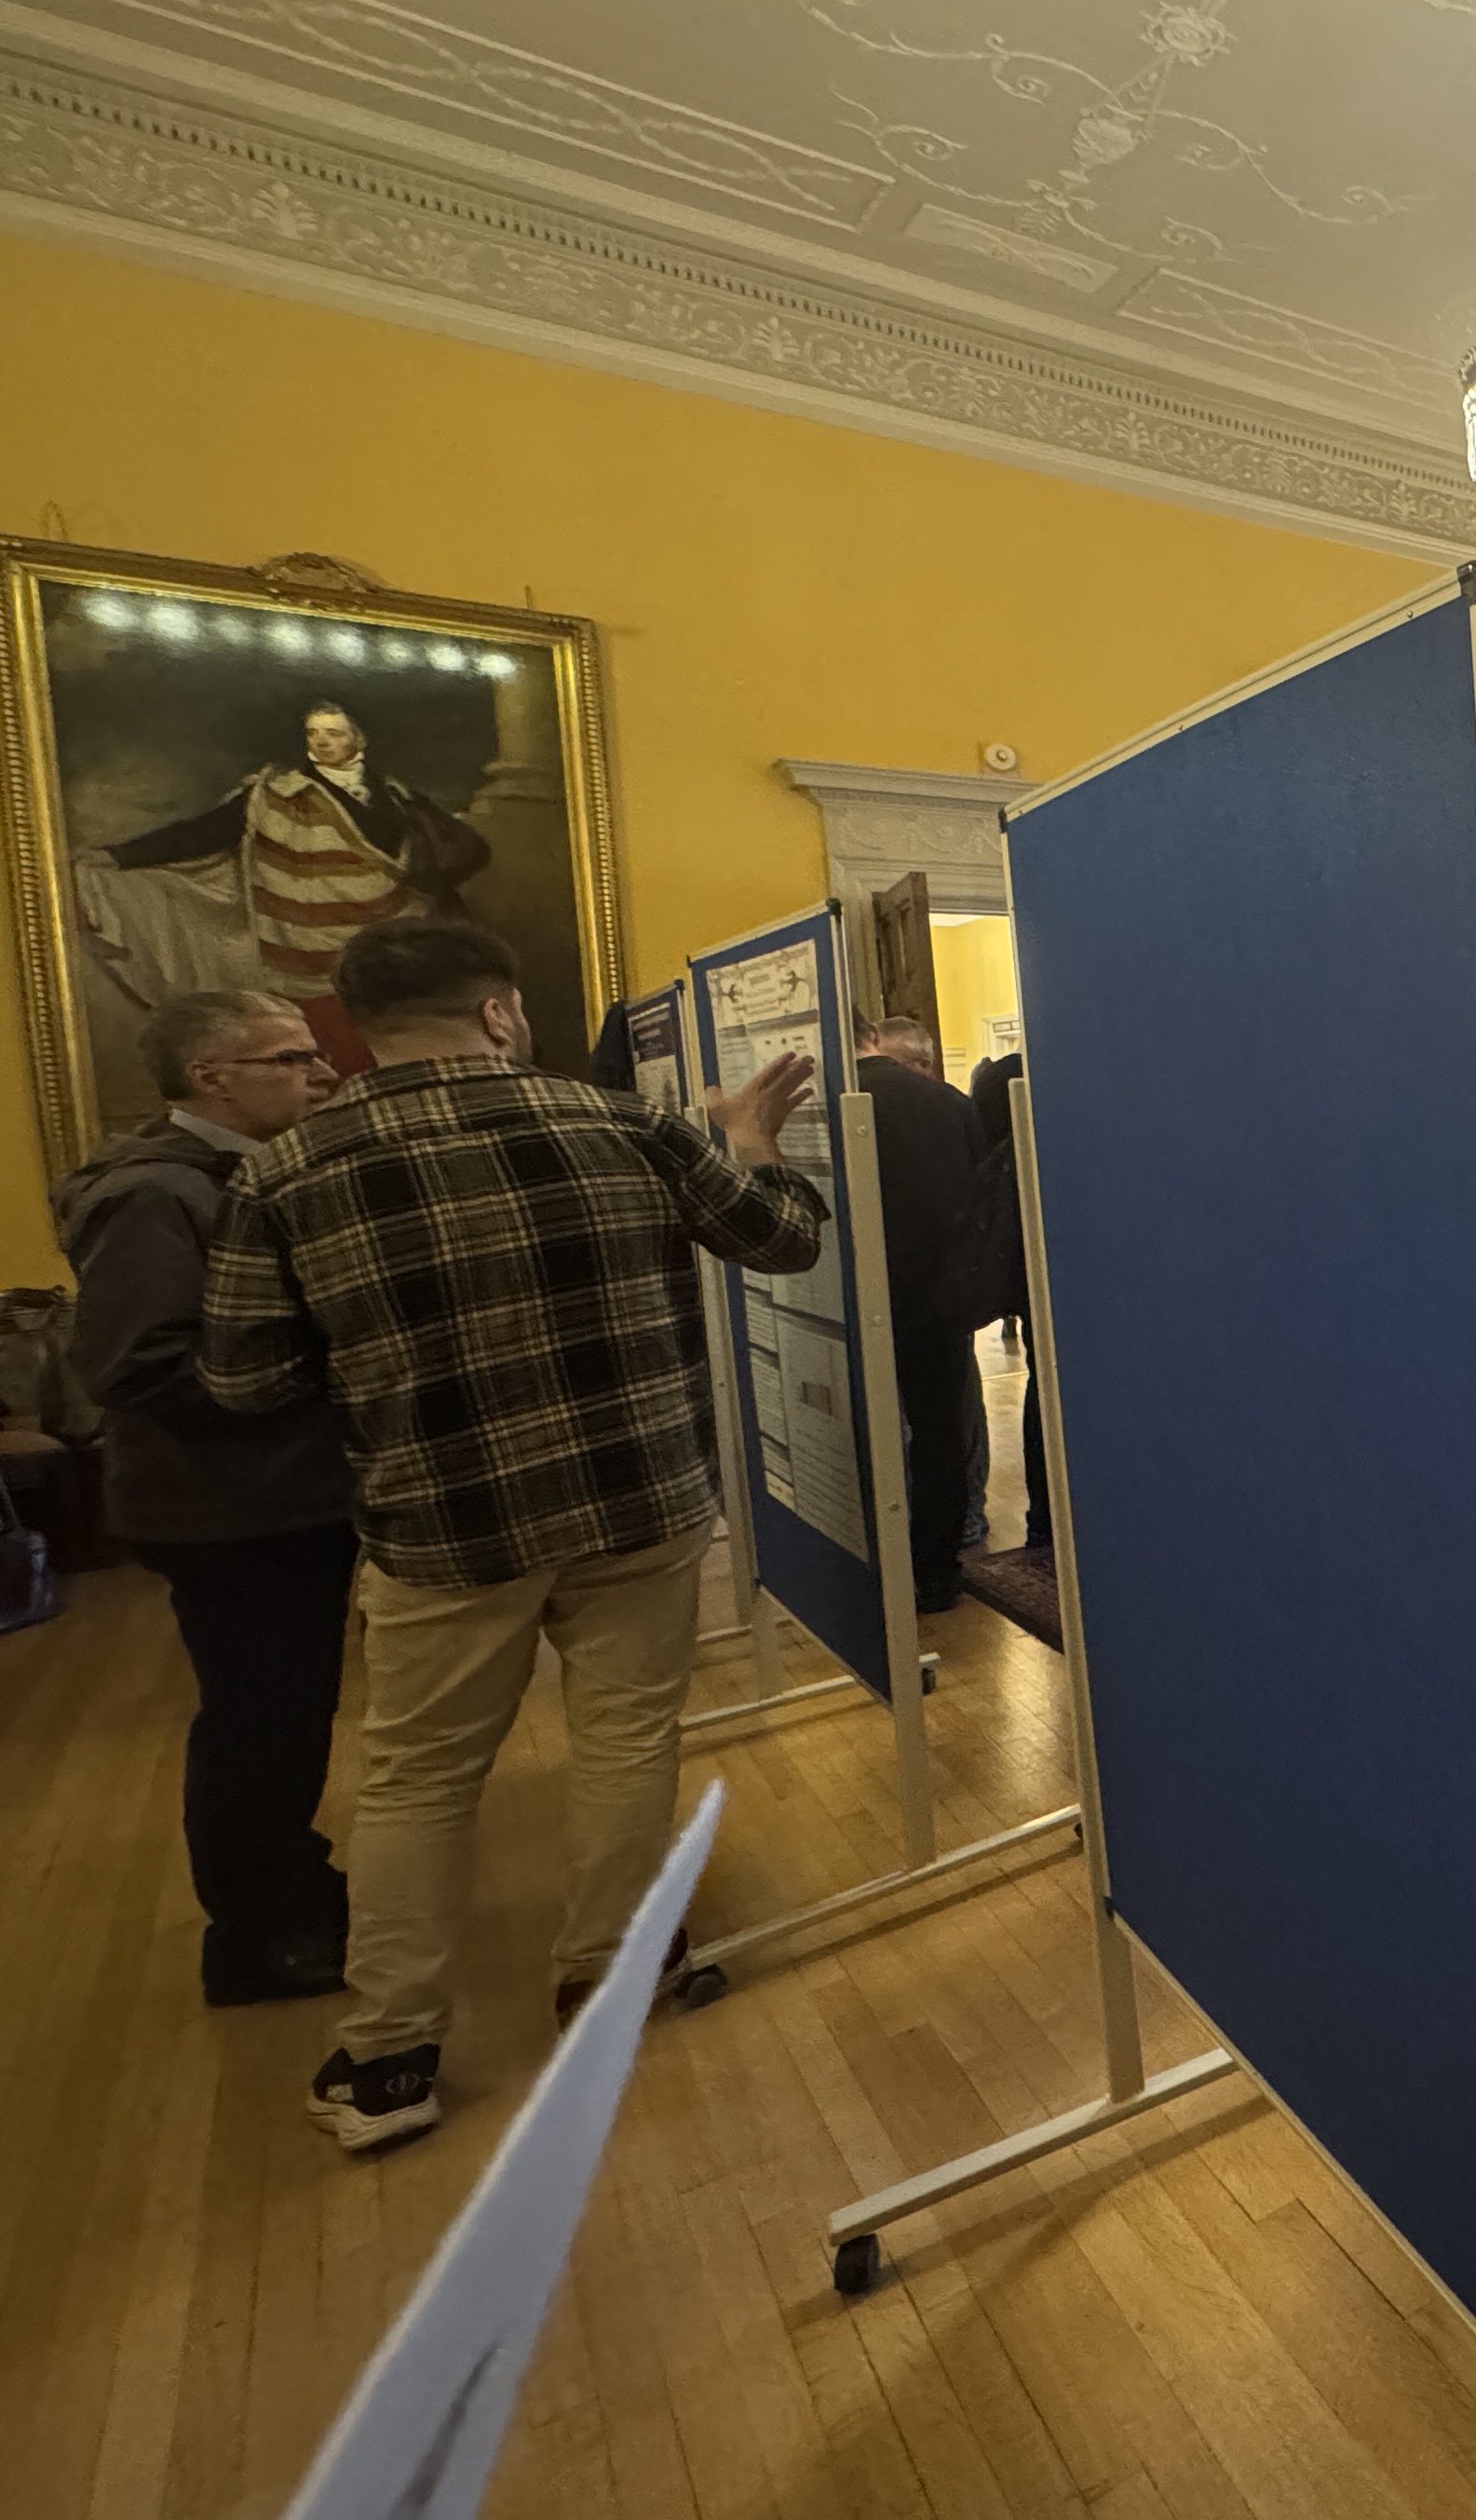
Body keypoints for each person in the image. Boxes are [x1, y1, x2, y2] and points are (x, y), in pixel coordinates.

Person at [202, 916, 825, 2155]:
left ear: (358, 1029)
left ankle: (389, 2059)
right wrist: (751, 1142)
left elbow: (246, 1381)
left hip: (441, 1523)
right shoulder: (626, 1125)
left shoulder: (284, 1174)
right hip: (638, 1498)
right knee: (627, 1739)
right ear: (497, 1013)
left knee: (417, 1779)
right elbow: (785, 1239)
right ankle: (610, 1975)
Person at [52, 989, 359, 2005]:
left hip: (267, 1495)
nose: (322, 1074)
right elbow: (141, 1365)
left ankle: (288, 1887)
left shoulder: (227, 1176)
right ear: (210, 1077)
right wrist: (327, 1373)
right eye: (292, 1058)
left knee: (285, 1711)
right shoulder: (155, 1196)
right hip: (230, 1506)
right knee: (260, 1719)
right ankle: (261, 1936)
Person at [85, 701, 493, 1073]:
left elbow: (452, 851)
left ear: (358, 739)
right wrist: (118, 856)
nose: (322, 741)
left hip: (390, 935)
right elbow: (203, 832)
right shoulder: (276, 794)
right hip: (309, 952)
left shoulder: (396, 795)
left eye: (333, 733)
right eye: (314, 733)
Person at [854, 1016, 987, 1610]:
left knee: (865, 1429)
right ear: (873, 1038)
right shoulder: (949, 1103)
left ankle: (868, 1569)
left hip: (857, 1297)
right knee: (940, 1434)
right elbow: (979, 1195)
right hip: (939, 1297)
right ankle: (936, 1573)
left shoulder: (827, 1103)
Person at [969, 1048, 1049, 1551]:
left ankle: (1042, 1523)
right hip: (1049, 1274)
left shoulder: (1002, 1077)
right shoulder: (1030, 1074)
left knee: (1041, 1389)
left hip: (1023, 1278)